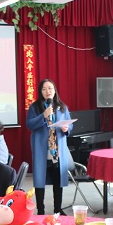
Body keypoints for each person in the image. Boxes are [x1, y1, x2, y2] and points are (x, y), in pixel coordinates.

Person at [27, 78, 73, 214]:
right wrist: (44, 115)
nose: (47, 91)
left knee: (58, 180)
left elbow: (69, 125)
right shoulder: (35, 107)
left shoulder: (62, 107)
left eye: (50, 88)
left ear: (54, 90)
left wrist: (66, 128)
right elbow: (30, 124)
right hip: (42, 149)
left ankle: (58, 209)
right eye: (44, 89)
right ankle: (40, 210)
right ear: (40, 92)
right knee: (39, 180)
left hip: (57, 150)